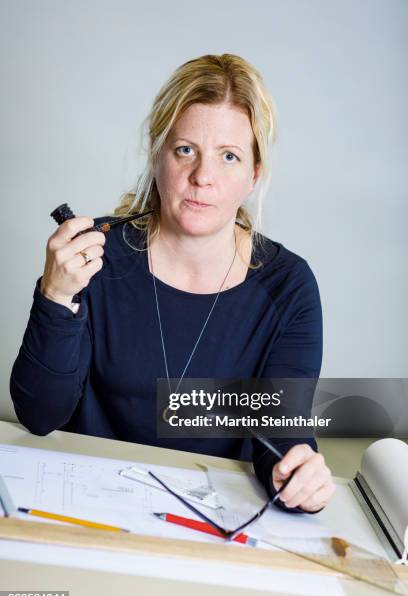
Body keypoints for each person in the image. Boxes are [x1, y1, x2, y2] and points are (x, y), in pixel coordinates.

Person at [10, 53, 335, 514]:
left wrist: (299, 470)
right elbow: (39, 415)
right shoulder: (95, 256)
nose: (203, 177)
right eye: (186, 150)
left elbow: (279, 433)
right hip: (88, 509)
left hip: (212, 523)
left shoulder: (288, 287)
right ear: (157, 153)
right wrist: (56, 298)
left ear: (253, 174)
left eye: (229, 157)